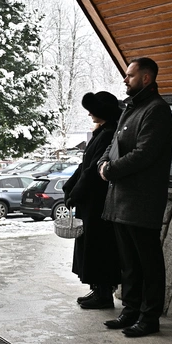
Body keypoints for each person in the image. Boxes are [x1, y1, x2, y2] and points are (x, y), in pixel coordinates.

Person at [98, 57, 172, 338]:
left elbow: (145, 154)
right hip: (120, 200)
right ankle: (130, 310)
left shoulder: (156, 110)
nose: (124, 80)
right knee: (129, 262)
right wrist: (103, 164)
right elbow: (112, 145)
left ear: (146, 79)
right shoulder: (130, 109)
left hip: (142, 201)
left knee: (148, 262)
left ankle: (149, 317)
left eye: (129, 75)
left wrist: (111, 169)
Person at [62, 91, 122, 309]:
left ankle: (103, 293)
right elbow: (85, 166)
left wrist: (75, 192)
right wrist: (71, 186)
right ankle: (98, 289)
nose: (89, 114)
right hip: (92, 201)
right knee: (91, 246)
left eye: (93, 109)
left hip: (98, 202)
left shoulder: (107, 134)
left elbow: (91, 169)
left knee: (98, 248)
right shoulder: (103, 132)